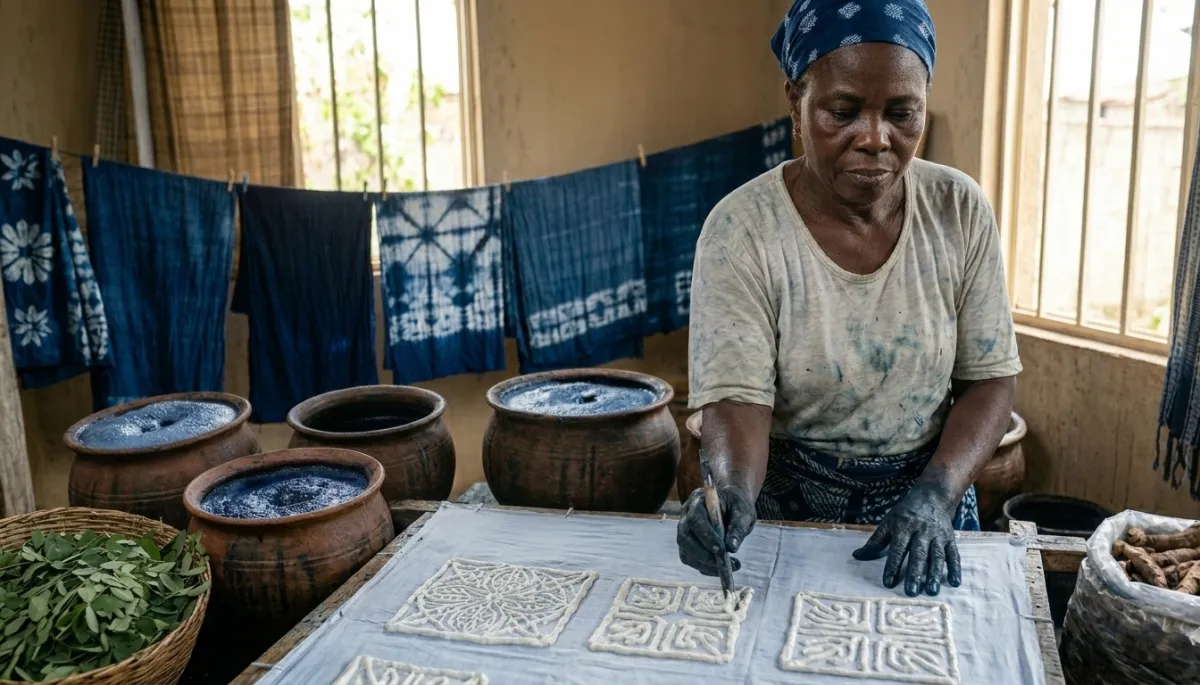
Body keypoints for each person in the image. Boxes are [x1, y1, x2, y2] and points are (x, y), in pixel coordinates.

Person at [676, 0, 1021, 598]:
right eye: (843, 111)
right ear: (795, 102)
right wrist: (730, 492)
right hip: (784, 510)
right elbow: (739, 399)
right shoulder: (743, 230)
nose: (875, 139)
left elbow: (988, 380)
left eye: (901, 113)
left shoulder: (958, 210)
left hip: (924, 511)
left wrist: (938, 494)